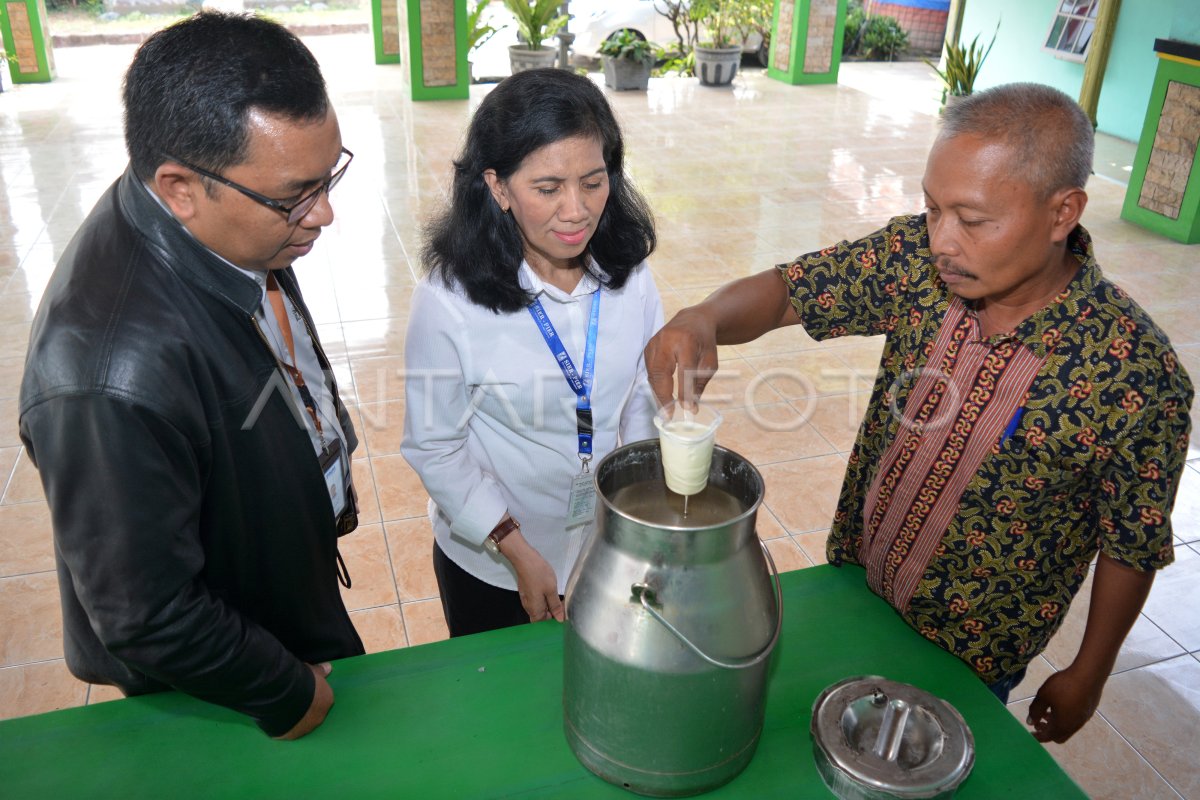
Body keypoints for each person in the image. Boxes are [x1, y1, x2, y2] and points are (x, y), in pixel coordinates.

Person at [643, 82, 1193, 744]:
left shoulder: (1134, 374)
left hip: (969, 657)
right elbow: (793, 293)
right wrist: (704, 316)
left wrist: (1089, 672)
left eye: (974, 219)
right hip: (855, 585)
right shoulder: (914, 264)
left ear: (1062, 213)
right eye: (932, 209)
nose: (942, 241)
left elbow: (1131, 544)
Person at [18, 12, 364, 739]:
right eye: (296, 194)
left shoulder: (225, 223)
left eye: (329, 175)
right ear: (178, 186)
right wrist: (287, 693)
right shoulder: (108, 374)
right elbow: (146, 613)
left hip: (271, 581)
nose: (324, 213)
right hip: (231, 676)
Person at [401, 68, 662, 637]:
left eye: (594, 182)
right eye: (547, 189)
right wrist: (515, 550)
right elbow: (434, 446)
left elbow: (642, 396)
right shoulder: (449, 299)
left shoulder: (630, 275)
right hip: (492, 562)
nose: (576, 210)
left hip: (604, 545)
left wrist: (637, 501)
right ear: (498, 187)